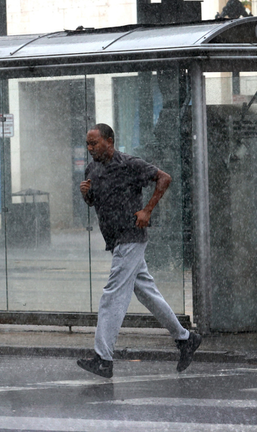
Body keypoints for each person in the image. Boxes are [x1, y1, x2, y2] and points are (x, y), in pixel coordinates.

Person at [77, 123, 202, 378]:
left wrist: (147, 210)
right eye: (88, 144)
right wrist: (86, 195)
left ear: (109, 141)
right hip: (116, 240)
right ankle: (185, 339)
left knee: (112, 295)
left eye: (94, 143)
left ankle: (103, 359)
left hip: (131, 236)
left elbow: (164, 178)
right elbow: (94, 201)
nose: (90, 148)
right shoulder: (92, 169)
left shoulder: (129, 164)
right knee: (147, 293)